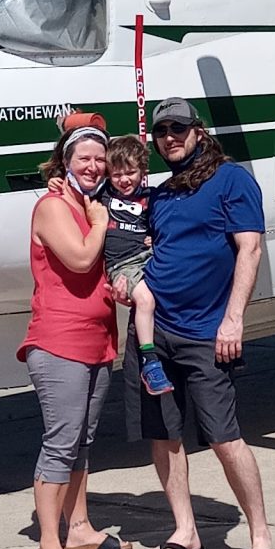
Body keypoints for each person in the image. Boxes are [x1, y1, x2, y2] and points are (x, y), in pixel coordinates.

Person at [134, 97, 275, 549]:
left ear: (199, 131)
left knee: (224, 438)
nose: (169, 137)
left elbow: (250, 249)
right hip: (157, 337)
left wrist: (233, 319)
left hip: (205, 334)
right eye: (161, 132)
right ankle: (185, 531)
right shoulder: (162, 193)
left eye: (178, 128)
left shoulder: (232, 180)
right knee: (164, 437)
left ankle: (260, 538)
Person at [18, 114, 130, 549]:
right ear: (65, 162)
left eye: (101, 158)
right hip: (59, 342)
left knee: (82, 441)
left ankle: (80, 527)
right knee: (61, 443)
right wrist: (101, 220)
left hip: (98, 340)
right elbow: (82, 259)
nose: (95, 166)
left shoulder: (87, 205)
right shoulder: (53, 207)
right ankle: (49, 543)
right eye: (84, 158)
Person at [102, 134, 170, 393]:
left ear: (143, 170)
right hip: (123, 264)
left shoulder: (151, 198)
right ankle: (150, 361)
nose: (124, 180)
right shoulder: (104, 196)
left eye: (130, 172)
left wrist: (156, 238)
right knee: (145, 300)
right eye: (116, 174)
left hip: (147, 257)